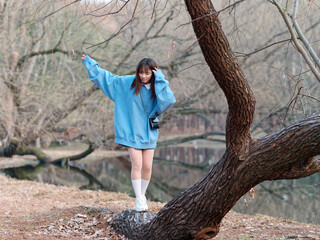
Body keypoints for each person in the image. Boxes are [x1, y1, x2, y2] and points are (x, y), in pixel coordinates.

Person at [81, 55, 176, 211]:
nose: (143, 76)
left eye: (147, 73)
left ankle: (142, 196)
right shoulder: (127, 83)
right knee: (137, 164)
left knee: (147, 166)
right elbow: (107, 78)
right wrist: (90, 63)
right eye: (141, 72)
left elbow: (169, 100)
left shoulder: (157, 87)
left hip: (149, 132)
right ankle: (138, 199)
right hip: (131, 132)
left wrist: (159, 78)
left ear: (153, 73)